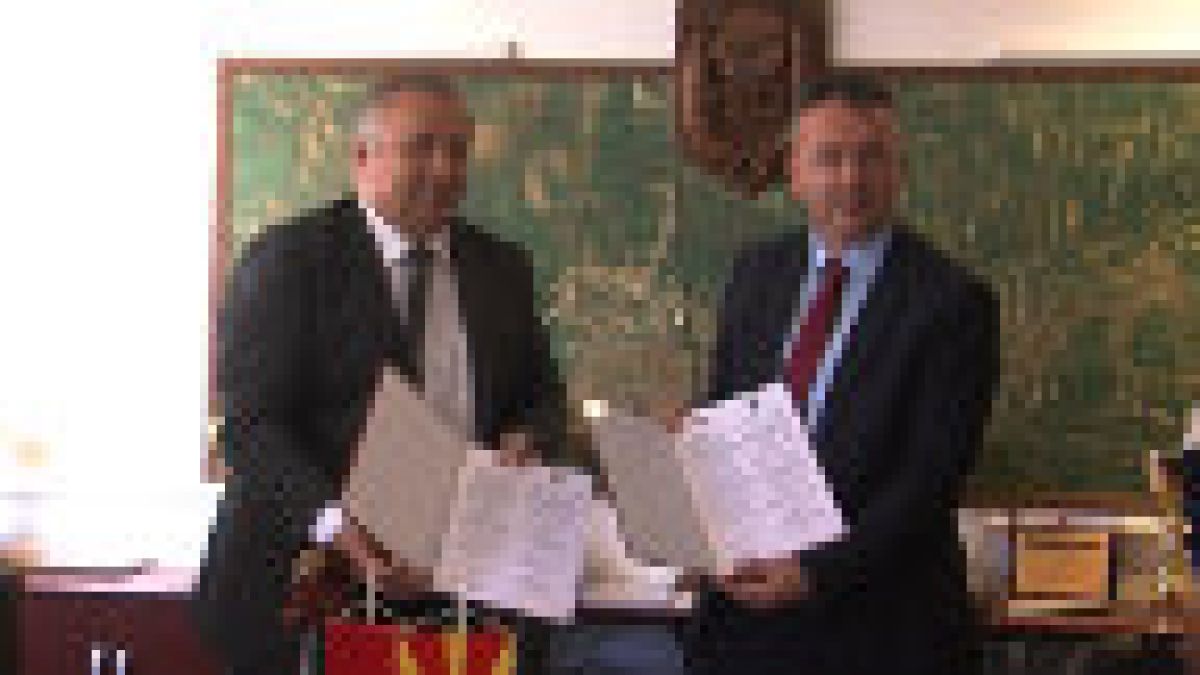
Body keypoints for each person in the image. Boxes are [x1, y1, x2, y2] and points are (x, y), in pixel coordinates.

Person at [193, 75, 574, 675]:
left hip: (458, 594)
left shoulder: (501, 268)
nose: (444, 169)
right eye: (421, 147)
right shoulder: (289, 261)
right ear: (362, 157)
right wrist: (335, 523)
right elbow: (251, 430)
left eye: (457, 151)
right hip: (304, 589)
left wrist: (528, 438)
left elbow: (544, 398)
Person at [683, 74, 1001, 675]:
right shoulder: (755, 275)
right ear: (794, 172)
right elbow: (726, 417)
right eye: (830, 158)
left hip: (884, 628)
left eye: (872, 157)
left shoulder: (953, 301)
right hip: (748, 626)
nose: (852, 179)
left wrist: (816, 573)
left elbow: (931, 477)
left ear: (899, 171)